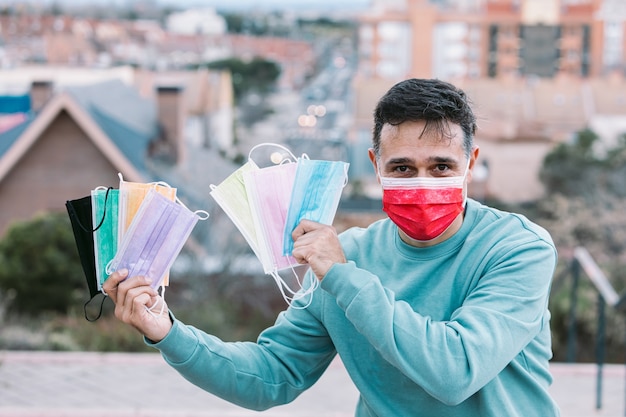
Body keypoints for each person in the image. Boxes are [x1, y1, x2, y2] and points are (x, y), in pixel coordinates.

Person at [103, 78, 560, 417]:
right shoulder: (346, 256)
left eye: (442, 166)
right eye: (401, 168)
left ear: (471, 165)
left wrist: (343, 277)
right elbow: (271, 375)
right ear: (375, 165)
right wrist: (166, 331)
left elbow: (454, 371)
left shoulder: (518, 249)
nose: (423, 182)